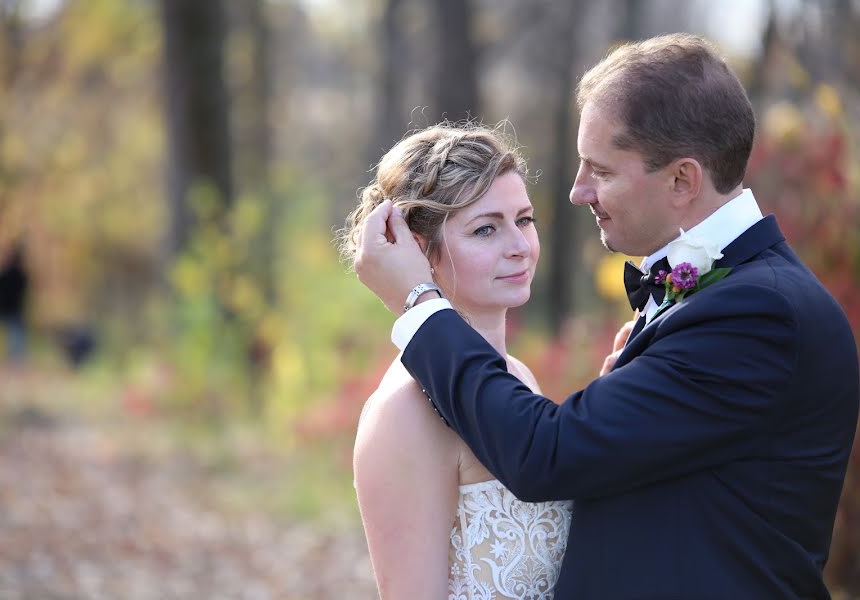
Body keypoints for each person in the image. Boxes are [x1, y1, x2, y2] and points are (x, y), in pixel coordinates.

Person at [353, 33, 859, 599]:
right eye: (486, 227)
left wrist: (420, 305)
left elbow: (546, 455)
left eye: (602, 170)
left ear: (682, 180)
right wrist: (628, 391)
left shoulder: (760, 312)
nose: (577, 192)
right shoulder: (722, 296)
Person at [340, 124, 574, 598]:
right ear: (417, 251)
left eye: (524, 219)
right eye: (486, 228)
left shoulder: (518, 376)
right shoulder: (405, 413)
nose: (518, 246)